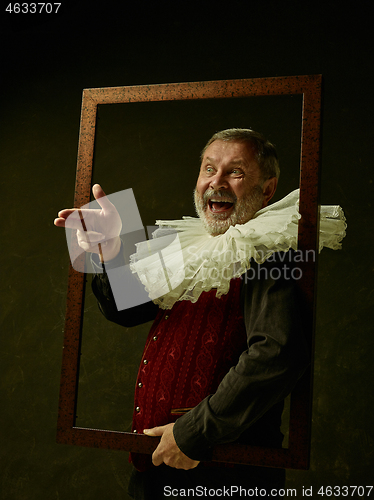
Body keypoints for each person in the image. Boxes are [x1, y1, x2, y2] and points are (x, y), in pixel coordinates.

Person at [54, 129, 318, 499]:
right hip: (154, 467)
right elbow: (127, 312)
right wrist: (110, 251)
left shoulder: (269, 249)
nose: (217, 182)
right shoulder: (184, 242)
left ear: (268, 189)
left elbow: (278, 354)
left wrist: (194, 433)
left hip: (222, 474)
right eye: (209, 168)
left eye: (235, 172)